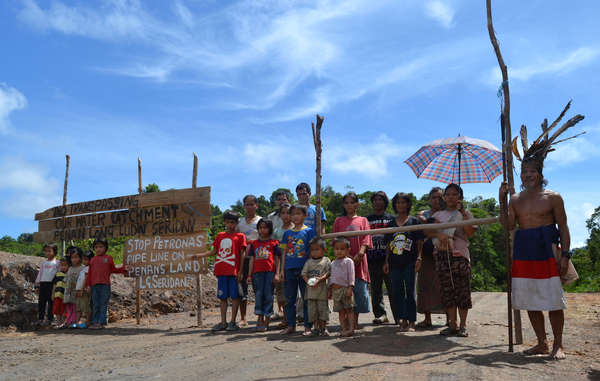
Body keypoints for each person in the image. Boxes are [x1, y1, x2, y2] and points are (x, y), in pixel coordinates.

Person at [499, 155, 571, 359]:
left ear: (540, 174)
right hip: (524, 251)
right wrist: (501, 199)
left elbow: (563, 227)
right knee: (529, 300)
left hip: (547, 251)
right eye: (524, 171)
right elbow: (508, 225)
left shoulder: (553, 197)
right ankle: (542, 343)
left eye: (532, 171)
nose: (528, 175)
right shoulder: (515, 199)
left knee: (553, 300)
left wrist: (565, 255)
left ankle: (559, 344)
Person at [429, 184, 476, 337]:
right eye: (448, 194)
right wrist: (441, 234)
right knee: (447, 291)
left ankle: (463, 325)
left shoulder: (466, 214)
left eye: (454, 194)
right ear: (444, 197)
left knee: (462, 291)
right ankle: (452, 324)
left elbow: (470, 233)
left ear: (460, 197)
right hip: (442, 255)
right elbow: (430, 233)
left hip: (460, 255)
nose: (451, 197)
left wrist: (462, 213)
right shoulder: (438, 215)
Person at [193, 211, 247, 332]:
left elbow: (243, 254)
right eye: (227, 222)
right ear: (224, 222)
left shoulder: (240, 236)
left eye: (232, 222)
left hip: (234, 272)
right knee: (222, 297)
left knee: (235, 297)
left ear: (237, 223)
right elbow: (214, 251)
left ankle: (232, 321)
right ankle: (223, 322)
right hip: (221, 272)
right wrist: (200, 255)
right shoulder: (220, 236)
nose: (230, 225)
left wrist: (241, 271)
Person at [383, 193, 424, 332]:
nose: (400, 205)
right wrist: (386, 261)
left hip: (410, 262)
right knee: (397, 292)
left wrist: (419, 258)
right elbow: (388, 244)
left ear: (408, 204)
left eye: (403, 202)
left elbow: (419, 242)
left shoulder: (414, 221)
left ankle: (412, 321)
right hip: (394, 263)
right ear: (395, 205)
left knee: (410, 292)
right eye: (398, 202)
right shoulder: (391, 224)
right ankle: (402, 320)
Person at [333, 191, 372, 330]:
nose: (349, 205)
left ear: (357, 204)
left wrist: (361, 253)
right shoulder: (339, 221)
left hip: (360, 261)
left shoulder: (363, 220)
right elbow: (335, 240)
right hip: (343, 261)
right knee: (344, 292)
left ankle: (355, 321)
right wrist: (347, 256)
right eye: (346, 203)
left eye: (352, 202)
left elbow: (366, 237)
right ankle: (346, 322)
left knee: (359, 291)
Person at [280, 204, 315, 335]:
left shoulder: (309, 231)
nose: (295, 216)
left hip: (304, 270)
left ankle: (307, 326)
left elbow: (313, 251)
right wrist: (282, 269)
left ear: (305, 215)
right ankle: (291, 325)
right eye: (293, 214)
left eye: (298, 213)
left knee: (307, 298)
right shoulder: (287, 233)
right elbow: (283, 252)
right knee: (289, 299)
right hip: (289, 269)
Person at [416, 187, 447, 328]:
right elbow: (421, 221)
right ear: (429, 199)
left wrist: (428, 227)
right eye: (433, 197)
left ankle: (450, 318)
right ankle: (427, 318)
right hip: (426, 253)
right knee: (425, 284)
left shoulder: (448, 214)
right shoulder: (425, 213)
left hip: (443, 251)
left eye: (439, 197)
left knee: (444, 285)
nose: (436, 200)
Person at [366, 191, 397, 325]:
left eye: (381, 199)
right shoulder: (367, 220)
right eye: (375, 199)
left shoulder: (391, 219)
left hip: (389, 258)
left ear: (385, 202)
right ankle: (381, 315)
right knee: (376, 288)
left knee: (393, 287)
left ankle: (398, 315)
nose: (378, 202)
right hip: (372, 257)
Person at [247, 218, 281, 332]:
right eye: (260, 227)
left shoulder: (274, 243)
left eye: (265, 227)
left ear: (270, 229)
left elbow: (277, 260)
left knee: (269, 295)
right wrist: (249, 275)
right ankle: (259, 318)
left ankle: (267, 320)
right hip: (257, 274)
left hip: (270, 273)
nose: (262, 230)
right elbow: (251, 260)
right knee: (258, 295)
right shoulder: (254, 244)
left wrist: (277, 273)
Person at [87, 238, 128, 329]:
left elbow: (113, 269)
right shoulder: (92, 260)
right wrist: (89, 285)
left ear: (105, 248)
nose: (98, 249)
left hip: (105, 285)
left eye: (101, 247)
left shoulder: (108, 258)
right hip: (94, 285)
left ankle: (101, 322)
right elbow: (89, 274)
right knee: (95, 304)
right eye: (96, 247)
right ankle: (95, 322)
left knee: (103, 304)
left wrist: (123, 269)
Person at [236, 194, 262, 327]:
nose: (250, 206)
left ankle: (260, 317)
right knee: (242, 289)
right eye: (247, 204)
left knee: (259, 289)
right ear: (244, 206)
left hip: (258, 259)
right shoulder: (239, 222)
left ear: (256, 205)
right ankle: (243, 317)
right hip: (243, 259)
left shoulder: (261, 221)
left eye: (252, 204)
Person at [301, 238, 331, 336]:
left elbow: (329, 273)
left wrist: (320, 279)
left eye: (317, 249)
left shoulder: (326, 260)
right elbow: (304, 274)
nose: (314, 252)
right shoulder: (308, 262)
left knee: (323, 311)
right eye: (312, 250)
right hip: (311, 293)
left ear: (324, 250)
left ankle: (324, 328)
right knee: (313, 312)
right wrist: (308, 282)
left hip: (322, 292)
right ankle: (316, 328)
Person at [272, 202, 294, 326]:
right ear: (280, 215)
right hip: (280, 264)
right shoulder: (277, 231)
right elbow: (276, 252)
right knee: (282, 293)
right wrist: (277, 269)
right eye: (283, 213)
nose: (286, 216)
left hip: (293, 263)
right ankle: (285, 319)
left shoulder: (295, 229)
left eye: (288, 213)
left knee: (293, 293)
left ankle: (292, 318)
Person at [329, 237, 355, 337]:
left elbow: (351, 276)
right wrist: (330, 290)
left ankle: (351, 329)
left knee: (349, 310)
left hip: (345, 289)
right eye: (336, 249)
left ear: (348, 250)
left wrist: (350, 288)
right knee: (340, 311)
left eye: (342, 249)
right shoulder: (333, 263)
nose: (339, 251)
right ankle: (343, 329)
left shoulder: (348, 261)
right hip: (336, 291)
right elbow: (332, 278)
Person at [34, 243, 59, 327]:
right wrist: (37, 285)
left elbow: (58, 274)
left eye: (49, 251)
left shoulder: (57, 263)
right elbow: (40, 274)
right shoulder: (43, 263)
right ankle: (40, 319)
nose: (47, 253)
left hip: (52, 285)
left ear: (54, 252)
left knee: (51, 302)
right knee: (41, 302)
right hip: (43, 284)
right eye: (46, 251)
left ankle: (50, 319)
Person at [63, 248, 84, 328]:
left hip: (78, 292)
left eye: (76, 257)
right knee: (70, 307)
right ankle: (69, 321)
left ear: (80, 258)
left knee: (77, 308)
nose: (74, 259)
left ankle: (75, 322)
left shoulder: (82, 268)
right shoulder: (70, 269)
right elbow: (66, 280)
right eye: (72, 257)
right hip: (70, 292)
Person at [75, 251, 93, 329]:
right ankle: (77, 322)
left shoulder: (89, 268)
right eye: (83, 259)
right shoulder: (84, 268)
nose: (84, 261)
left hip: (84, 290)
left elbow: (86, 279)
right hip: (80, 289)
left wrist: (82, 289)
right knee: (79, 307)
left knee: (86, 307)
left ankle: (87, 322)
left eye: (86, 259)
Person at [51, 258, 69, 328]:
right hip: (57, 295)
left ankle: (64, 323)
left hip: (66, 295)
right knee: (57, 309)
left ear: (69, 266)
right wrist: (53, 294)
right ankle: (58, 322)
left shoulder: (69, 274)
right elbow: (54, 284)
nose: (63, 267)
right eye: (62, 265)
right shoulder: (57, 274)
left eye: (65, 265)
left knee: (64, 309)